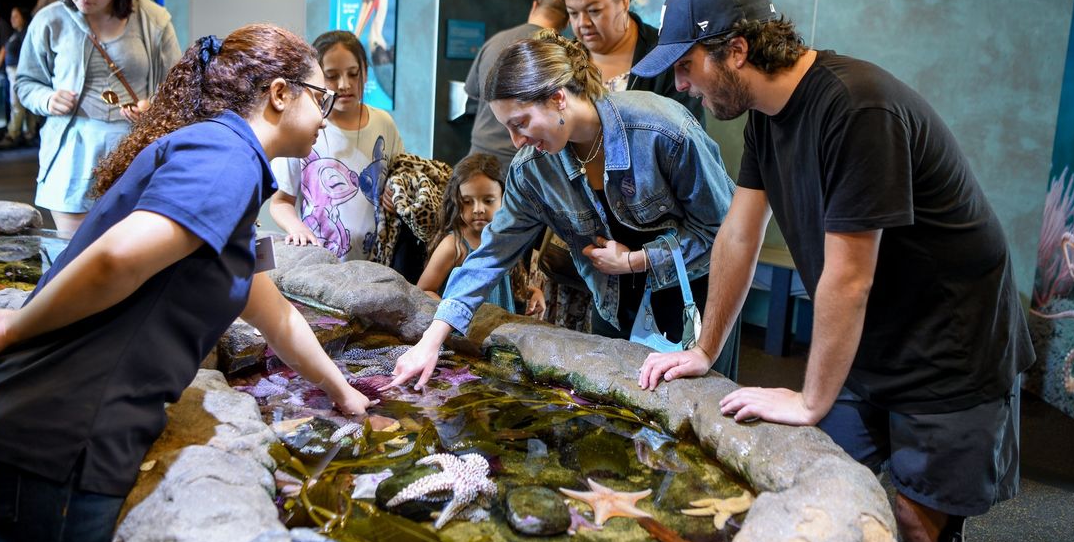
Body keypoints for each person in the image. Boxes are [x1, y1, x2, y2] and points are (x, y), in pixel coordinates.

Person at [0, 23, 374, 542]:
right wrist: (16, 324)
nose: (328, 112)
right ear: (278, 93)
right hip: (47, 441)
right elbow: (117, 259)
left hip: (34, 432)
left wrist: (344, 392)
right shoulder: (228, 159)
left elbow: (269, 307)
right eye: (319, 97)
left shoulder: (225, 160)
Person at [632, 0, 1035, 542]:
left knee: (916, 527)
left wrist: (810, 400)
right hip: (873, 335)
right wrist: (704, 348)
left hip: (951, 343)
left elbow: (848, 277)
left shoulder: (857, 108)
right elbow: (738, 236)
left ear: (736, 50)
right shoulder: (767, 118)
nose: (681, 83)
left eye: (686, 65)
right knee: (824, 487)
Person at [385, 30, 739, 393]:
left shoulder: (662, 130)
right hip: (614, 307)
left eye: (520, 123)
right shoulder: (533, 170)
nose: (516, 141)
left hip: (694, 304)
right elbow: (490, 255)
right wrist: (431, 341)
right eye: (507, 128)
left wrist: (638, 260)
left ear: (558, 99)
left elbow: (727, 233)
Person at [16, 0, 181, 237]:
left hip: (135, 149)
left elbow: (178, 87)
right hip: (73, 153)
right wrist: (47, 100)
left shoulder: (154, 19)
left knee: (134, 251)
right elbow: (26, 82)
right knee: (74, 252)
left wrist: (153, 107)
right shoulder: (49, 20)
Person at [270, 30, 404, 260]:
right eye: (332, 75)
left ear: (366, 72)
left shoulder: (384, 123)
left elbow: (401, 176)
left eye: (353, 74)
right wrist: (297, 228)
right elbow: (281, 201)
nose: (345, 85)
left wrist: (397, 194)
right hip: (321, 267)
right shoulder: (300, 129)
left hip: (377, 266)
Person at [558, 0, 700, 120]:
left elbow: (688, 132)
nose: (583, 23)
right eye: (573, 13)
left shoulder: (665, 56)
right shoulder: (563, 60)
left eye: (594, 11)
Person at [418, 152, 545, 317]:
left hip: (498, 335)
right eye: (467, 201)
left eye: (488, 200)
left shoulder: (505, 240)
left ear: (504, 199)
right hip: (463, 338)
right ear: (456, 201)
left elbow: (496, 286)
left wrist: (532, 292)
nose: (478, 209)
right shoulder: (455, 246)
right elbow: (424, 290)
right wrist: (456, 314)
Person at [465, 0, 568, 170]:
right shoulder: (556, 54)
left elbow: (473, 93)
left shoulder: (494, 41)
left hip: (478, 154)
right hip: (520, 162)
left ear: (535, 6)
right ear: (568, 22)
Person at [0, 6, 37, 149]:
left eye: (16, 16)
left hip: (19, 72)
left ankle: (13, 134)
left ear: (23, 18)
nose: (12, 19)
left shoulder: (25, 33)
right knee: (19, 104)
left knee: (17, 103)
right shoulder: (16, 33)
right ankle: (27, 133)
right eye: (11, 17)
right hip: (12, 72)